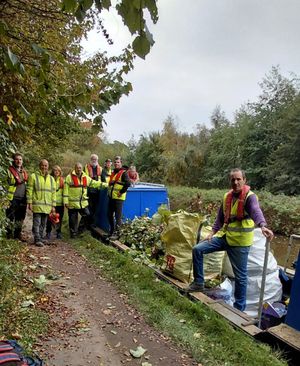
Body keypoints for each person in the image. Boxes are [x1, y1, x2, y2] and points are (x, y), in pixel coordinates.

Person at [186, 168, 274, 312]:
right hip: (224, 237)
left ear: (244, 180)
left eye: (238, 179)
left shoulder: (249, 197)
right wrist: (213, 232)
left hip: (240, 243)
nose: (235, 182)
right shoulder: (227, 196)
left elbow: (255, 211)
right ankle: (198, 283)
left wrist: (263, 226)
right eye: (233, 179)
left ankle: (239, 309)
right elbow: (220, 218)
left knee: (240, 277)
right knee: (197, 249)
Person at [64, 162, 107, 238]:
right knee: (72, 220)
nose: (79, 169)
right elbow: (65, 190)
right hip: (72, 203)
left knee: (87, 215)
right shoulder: (69, 177)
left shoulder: (85, 177)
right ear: (75, 168)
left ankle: (80, 230)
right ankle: (73, 234)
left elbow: (94, 183)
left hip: (82, 203)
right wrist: (65, 201)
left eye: (80, 168)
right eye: (77, 168)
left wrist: (105, 185)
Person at [27, 159, 56, 247]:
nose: (44, 167)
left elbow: (53, 193)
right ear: (39, 166)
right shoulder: (33, 176)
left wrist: (53, 205)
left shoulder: (51, 179)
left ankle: (40, 237)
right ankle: (37, 239)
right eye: (42, 165)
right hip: (37, 204)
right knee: (37, 223)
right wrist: (30, 202)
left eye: (46, 165)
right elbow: (29, 190)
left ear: (48, 167)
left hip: (47, 206)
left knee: (43, 223)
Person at [6, 152, 28, 240]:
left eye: (20, 159)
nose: (18, 161)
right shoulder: (8, 171)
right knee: (10, 217)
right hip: (11, 198)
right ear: (13, 160)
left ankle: (17, 235)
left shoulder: (24, 172)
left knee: (20, 217)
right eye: (16, 159)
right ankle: (9, 235)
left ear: (22, 161)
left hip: (22, 199)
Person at [107, 156, 131, 237]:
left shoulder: (124, 173)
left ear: (121, 163)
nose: (116, 163)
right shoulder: (114, 172)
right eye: (115, 162)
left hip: (119, 198)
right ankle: (112, 230)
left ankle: (118, 234)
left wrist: (121, 192)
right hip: (112, 197)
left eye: (118, 162)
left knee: (118, 217)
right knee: (109, 214)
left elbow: (128, 183)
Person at [45, 165, 64, 240]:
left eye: (58, 171)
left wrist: (65, 202)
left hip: (60, 203)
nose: (57, 172)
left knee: (60, 219)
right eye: (55, 170)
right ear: (52, 171)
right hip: (51, 202)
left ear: (60, 172)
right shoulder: (49, 179)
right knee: (49, 218)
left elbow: (64, 192)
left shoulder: (62, 180)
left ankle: (58, 232)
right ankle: (48, 232)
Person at [84, 154, 104, 225]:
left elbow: (103, 179)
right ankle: (88, 223)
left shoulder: (101, 169)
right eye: (92, 159)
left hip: (97, 191)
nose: (94, 160)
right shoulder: (85, 167)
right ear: (90, 160)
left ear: (97, 160)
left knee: (95, 207)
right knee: (89, 207)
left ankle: (93, 223)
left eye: (95, 159)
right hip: (88, 191)